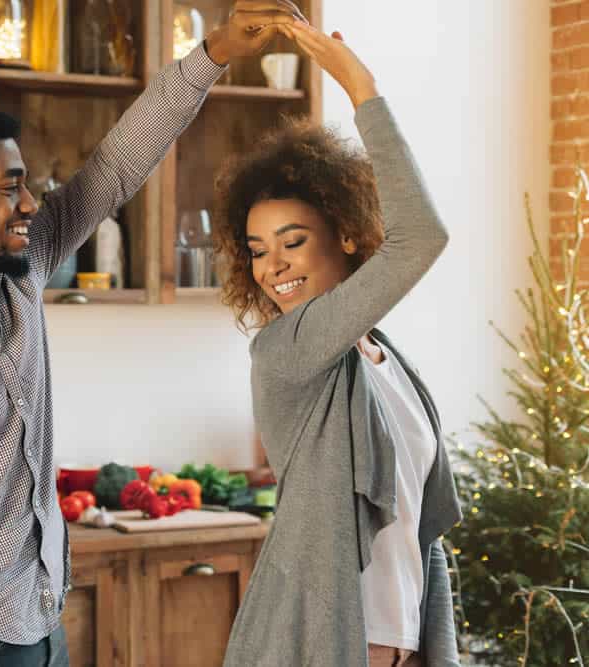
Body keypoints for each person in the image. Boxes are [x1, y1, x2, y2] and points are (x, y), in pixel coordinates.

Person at [0, 3, 308, 665]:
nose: (32, 204)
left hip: (39, 625)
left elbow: (120, 163)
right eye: (9, 189)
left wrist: (214, 51)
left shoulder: (24, 268)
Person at [215, 21, 461, 667]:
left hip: (401, 640)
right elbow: (423, 236)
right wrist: (360, 85)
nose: (273, 266)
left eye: (292, 241)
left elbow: (416, 525)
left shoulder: (382, 356)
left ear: (347, 234)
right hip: (330, 642)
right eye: (257, 250)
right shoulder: (288, 347)